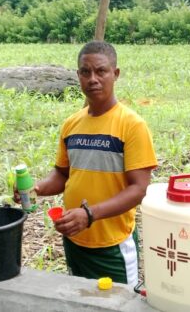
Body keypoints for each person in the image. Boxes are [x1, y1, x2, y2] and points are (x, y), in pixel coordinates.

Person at [31, 41, 157, 286]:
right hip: (75, 239)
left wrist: (90, 214)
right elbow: (62, 174)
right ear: (78, 75)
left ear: (115, 74)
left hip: (112, 245)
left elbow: (139, 190)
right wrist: (36, 188)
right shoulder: (72, 124)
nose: (93, 79)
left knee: (119, 303)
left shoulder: (131, 125)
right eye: (85, 72)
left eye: (101, 71)